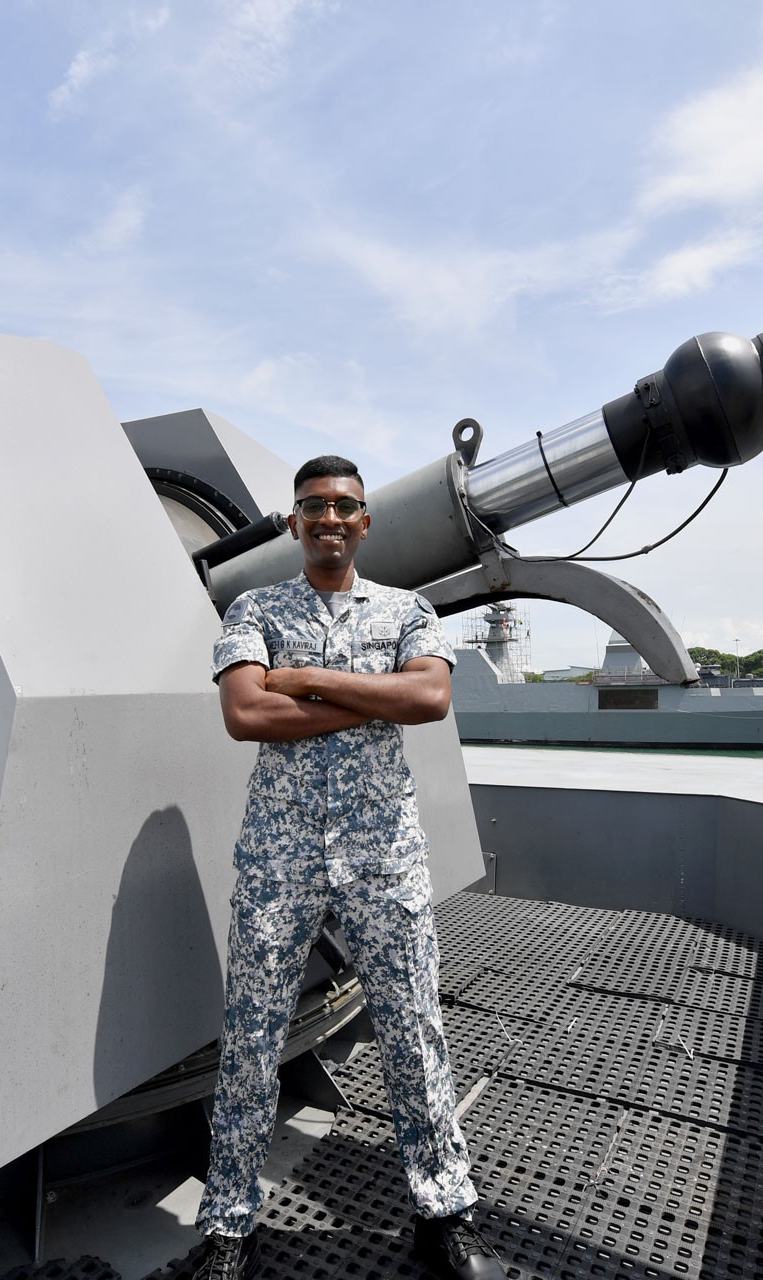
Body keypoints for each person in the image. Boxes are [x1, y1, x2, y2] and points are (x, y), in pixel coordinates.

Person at [189, 456, 506, 1280]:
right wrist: (370, 694)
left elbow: (428, 699)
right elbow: (245, 712)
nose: (328, 518)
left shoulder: (408, 610)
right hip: (279, 853)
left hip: (382, 854)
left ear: (365, 521)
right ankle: (227, 1226)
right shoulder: (255, 608)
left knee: (414, 1030)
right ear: (295, 521)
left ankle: (445, 1212)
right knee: (251, 1037)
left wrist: (305, 682)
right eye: (313, 506)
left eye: (343, 506)